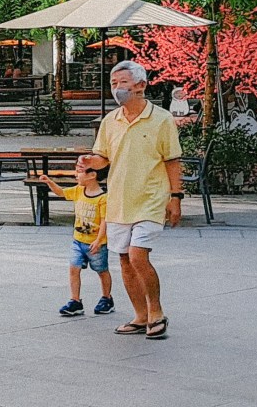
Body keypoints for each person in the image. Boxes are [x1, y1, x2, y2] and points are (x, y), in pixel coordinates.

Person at [78, 61, 183, 340]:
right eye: (113, 83)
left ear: (140, 85)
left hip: (150, 198)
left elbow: (172, 160)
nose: (117, 88)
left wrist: (176, 198)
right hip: (119, 200)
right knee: (124, 259)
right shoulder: (110, 121)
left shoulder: (161, 119)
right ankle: (140, 316)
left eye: (122, 82)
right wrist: (90, 160)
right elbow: (103, 157)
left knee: (138, 255)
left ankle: (157, 312)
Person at [39, 163, 113, 317]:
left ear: (92, 175)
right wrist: (49, 182)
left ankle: (107, 298)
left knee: (102, 270)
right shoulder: (79, 191)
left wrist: (99, 240)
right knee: (74, 269)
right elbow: (61, 193)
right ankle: (75, 300)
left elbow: (105, 221)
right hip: (78, 241)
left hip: (95, 243)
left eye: (79, 172)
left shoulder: (103, 198)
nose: (76, 175)